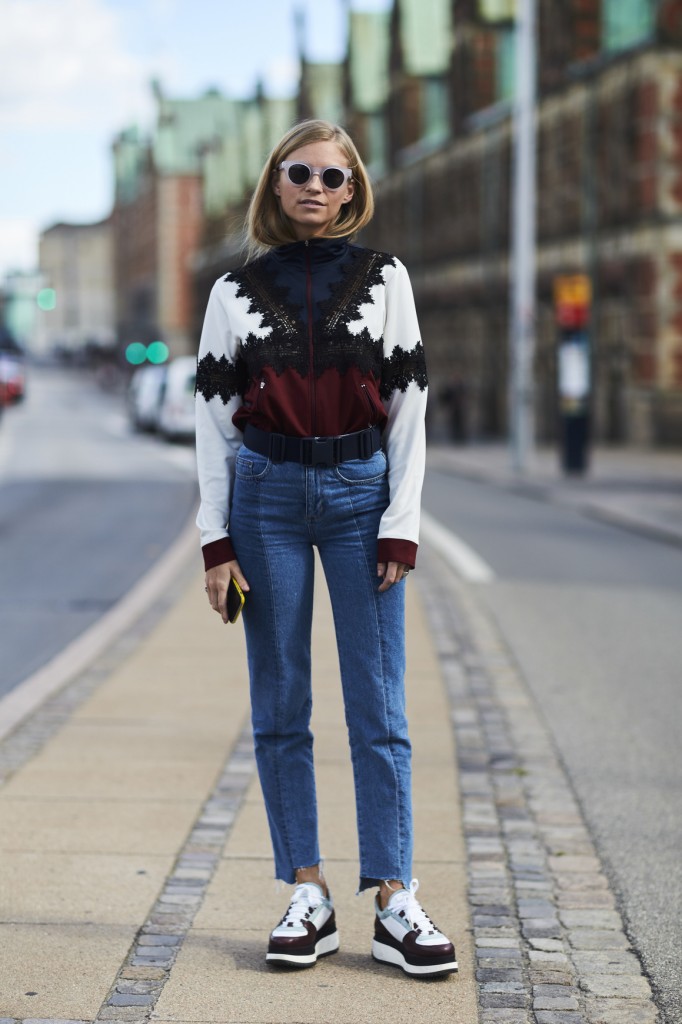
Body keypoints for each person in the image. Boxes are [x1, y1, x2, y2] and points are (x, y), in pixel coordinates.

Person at [194, 119, 457, 979]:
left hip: (359, 498)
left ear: (353, 190)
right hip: (264, 499)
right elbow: (213, 426)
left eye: (332, 177)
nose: (314, 186)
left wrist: (403, 522)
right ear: (275, 184)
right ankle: (306, 889)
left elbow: (411, 407)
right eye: (298, 172)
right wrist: (215, 541)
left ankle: (392, 897)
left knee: (379, 705)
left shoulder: (386, 279)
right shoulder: (233, 291)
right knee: (279, 704)